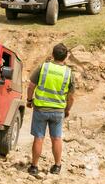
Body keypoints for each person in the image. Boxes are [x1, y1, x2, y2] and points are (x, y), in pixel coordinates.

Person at [26, 43, 75, 176]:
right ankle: (57, 166)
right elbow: (71, 97)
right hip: (58, 111)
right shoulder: (68, 73)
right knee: (56, 138)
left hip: (41, 109)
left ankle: (34, 167)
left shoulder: (43, 67)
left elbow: (31, 86)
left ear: (52, 55)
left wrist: (29, 101)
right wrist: (67, 110)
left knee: (39, 138)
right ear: (65, 58)